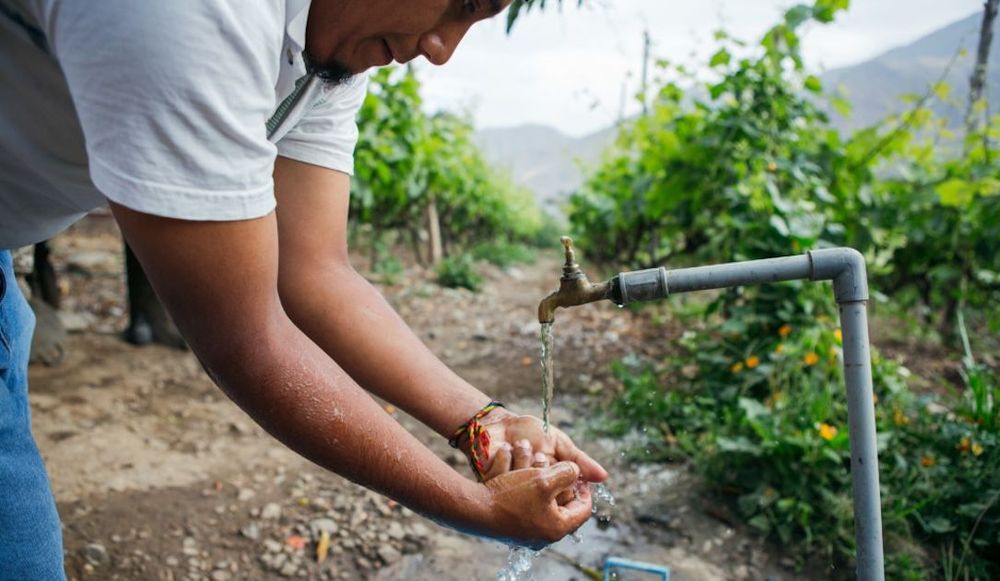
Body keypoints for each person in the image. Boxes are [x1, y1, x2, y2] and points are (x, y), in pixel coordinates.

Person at [0, 0, 608, 578]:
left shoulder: (334, 46)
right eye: (462, 4)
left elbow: (315, 270)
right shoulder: (200, 13)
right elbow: (246, 337)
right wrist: (478, 510)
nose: (443, 48)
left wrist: (484, 423)